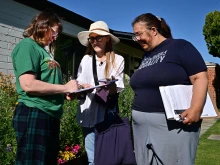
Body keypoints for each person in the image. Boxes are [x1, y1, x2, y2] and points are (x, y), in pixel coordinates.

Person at [130, 13, 208, 165]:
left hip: (171, 125)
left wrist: (196, 108)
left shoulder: (180, 46)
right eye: (135, 36)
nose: (137, 39)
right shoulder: (147, 56)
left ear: (153, 30)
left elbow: (200, 77)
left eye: (139, 34)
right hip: (141, 127)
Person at [11, 11, 78, 165]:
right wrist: (63, 87)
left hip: (48, 114)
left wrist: (65, 93)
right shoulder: (27, 46)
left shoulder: (43, 51)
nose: (55, 37)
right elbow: (28, 84)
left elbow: (47, 84)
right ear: (42, 26)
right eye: (53, 32)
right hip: (34, 112)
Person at [76, 21, 125, 165]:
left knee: (108, 158)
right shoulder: (86, 59)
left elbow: (118, 86)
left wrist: (105, 87)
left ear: (107, 39)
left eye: (99, 38)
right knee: (92, 159)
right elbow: (79, 81)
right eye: (92, 38)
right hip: (87, 113)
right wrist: (80, 87)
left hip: (106, 114)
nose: (95, 41)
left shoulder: (117, 60)